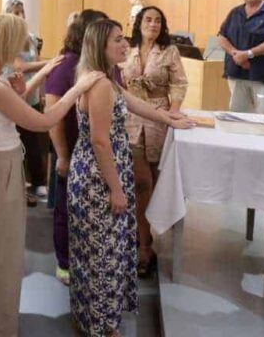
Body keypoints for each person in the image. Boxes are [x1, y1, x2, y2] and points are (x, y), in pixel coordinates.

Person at [0, 14, 102, 336]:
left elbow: (12, 102)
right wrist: (76, 89)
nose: (23, 49)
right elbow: (42, 121)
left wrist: (41, 74)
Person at [70, 18, 193, 336]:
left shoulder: (103, 79)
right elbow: (100, 141)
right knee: (102, 252)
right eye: (117, 39)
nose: (125, 44)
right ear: (100, 46)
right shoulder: (99, 84)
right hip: (100, 177)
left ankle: (93, 318)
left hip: (100, 171)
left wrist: (167, 117)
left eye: (124, 38)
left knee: (97, 250)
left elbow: (133, 102)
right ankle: (102, 325)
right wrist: (116, 189)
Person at [121, 5, 188, 276]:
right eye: (148, 19)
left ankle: (150, 228)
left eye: (158, 20)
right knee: (140, 182)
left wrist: (174, 111)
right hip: (130, 117)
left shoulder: (169, 51)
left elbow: (179, 83)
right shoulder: (127, 48)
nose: (153, 24)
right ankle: (144, 244)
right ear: (139, 23)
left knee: (156, 181)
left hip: (159, 117)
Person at [44, 8, 108, 285]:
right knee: (66, 208)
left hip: (98, 152)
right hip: (73, 148)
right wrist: (62, 154)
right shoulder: (66, 65)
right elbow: (52, 114)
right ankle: (65, 262)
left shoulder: (103, 63)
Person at [4, 0, 52, 206]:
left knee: (33, 140)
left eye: (21, 12)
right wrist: (50, 63)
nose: (20, 16)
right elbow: (20, 66)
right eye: (15, 12)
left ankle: (38, 181)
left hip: (31, 94)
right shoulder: (7, 39)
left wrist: (41, 91)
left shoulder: (31, 38)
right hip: (13, 93)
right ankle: (19, 182)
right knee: (18, 139)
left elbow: (36, 64)